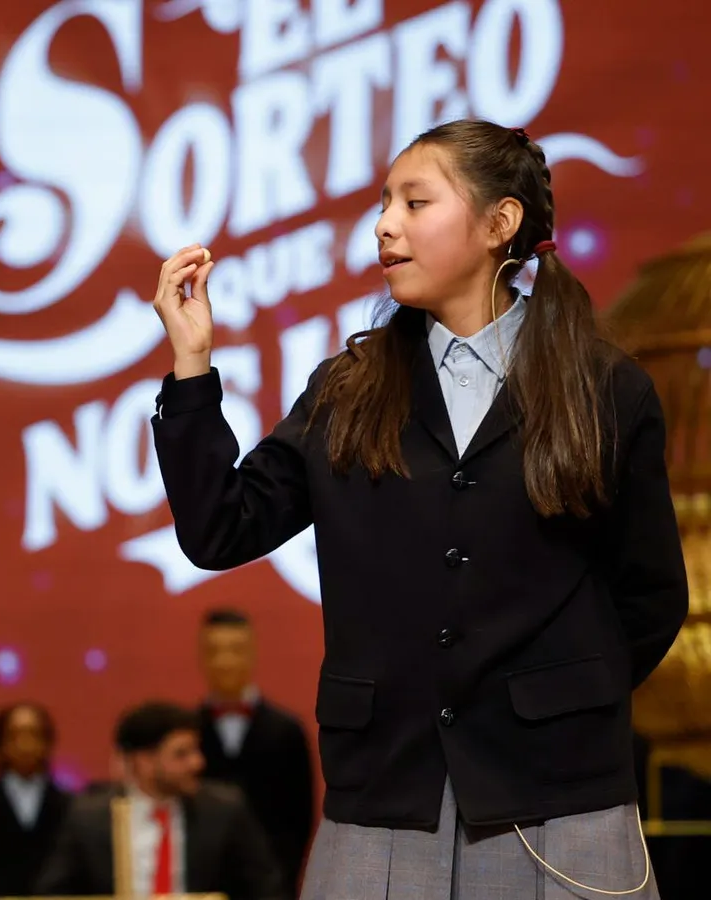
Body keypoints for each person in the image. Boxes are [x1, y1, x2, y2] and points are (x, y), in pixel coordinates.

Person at [147, 119, 688, 898]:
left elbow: (650, 595)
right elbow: (220, 527)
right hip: (386, 798)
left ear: (500, 223)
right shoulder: (348, 388)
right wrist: (192, 366)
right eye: (382, 204)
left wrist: (557, 702)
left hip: (558, 801)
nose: (384, 225)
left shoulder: (604, 388)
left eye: (414, 201)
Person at [34, 702, 286, 900]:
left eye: (195, 751)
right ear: (144, 762)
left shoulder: (224, 811)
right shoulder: (89, 818)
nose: (198, 763)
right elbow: (52, 894)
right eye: (181, 754)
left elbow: (268, 890)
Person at [195, 608, 314, 889]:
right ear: (201, 656)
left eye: (235, 649)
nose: (225, 661)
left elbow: (300, 818)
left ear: (252, 652)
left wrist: (282, 883)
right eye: (214, 650)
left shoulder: (287, 731)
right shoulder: (188, 733)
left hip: (271, 884)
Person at [0, 702, 74, 897]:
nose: (25, 745)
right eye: (15, 736)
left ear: (48, 742)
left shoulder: (71, 809)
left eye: (33, 735)